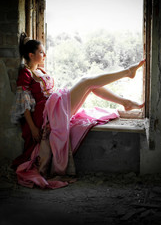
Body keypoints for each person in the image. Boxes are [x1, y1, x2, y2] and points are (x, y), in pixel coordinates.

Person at [11, 32, 145, 189]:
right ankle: (127, 73)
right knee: (86, 81)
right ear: (31, 55)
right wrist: (33, 127)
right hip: (49, 114)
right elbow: (23, 103)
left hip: (56, 107)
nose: (45, 54)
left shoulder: (41, 71)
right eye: (41, 52)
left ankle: (126, 102)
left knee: (90, 85)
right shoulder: (26, 73)